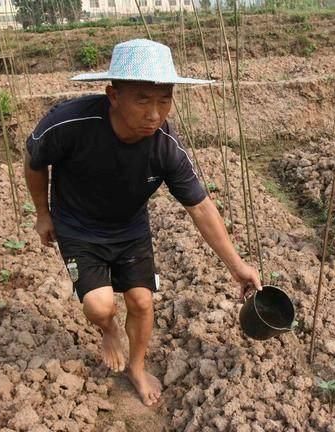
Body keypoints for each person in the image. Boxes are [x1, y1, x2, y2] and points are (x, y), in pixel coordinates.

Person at [24, 39, 261, 407]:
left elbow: (200, 207)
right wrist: (42, 214)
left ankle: (136, 367)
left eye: (164, 100)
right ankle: (108, 330)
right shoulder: (70, 123)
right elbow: (35, 162)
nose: (155, 114)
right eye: (143, 100)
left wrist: (238, 267)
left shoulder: (165, 147)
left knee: (142, 301)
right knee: (100, 306)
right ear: (113, 95)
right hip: (77, 227)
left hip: (128, 229)